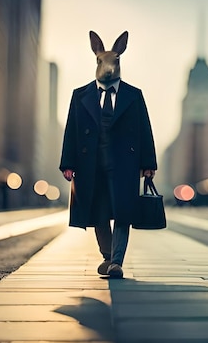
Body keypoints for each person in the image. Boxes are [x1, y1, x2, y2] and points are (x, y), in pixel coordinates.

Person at [59, 30, 158, 278]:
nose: (108, 68)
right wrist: (67, 163)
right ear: (96, 60)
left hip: (124, 165)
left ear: (119, 61)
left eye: (114, 62)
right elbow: (71, 129)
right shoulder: (80, 95)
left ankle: (116, 261)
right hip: (90, 164)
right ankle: (107, 256)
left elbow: (145, 128)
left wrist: (148, 162)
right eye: (103, 62)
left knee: (123, 210)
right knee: (97, 211)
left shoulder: (133, 95)